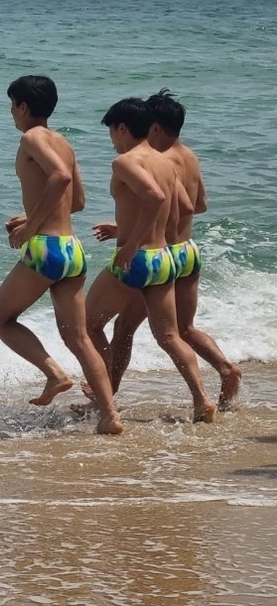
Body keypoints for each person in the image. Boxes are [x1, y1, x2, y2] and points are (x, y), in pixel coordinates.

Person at [0, 76, 124, 435]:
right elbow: (77, 201)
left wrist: (31, 224)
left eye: (13, 105)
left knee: (1, 319)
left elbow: (60, 178)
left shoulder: (32, 137)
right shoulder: (63, 142)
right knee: (79, 338)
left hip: (45, 249)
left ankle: (54, 374)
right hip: (71, 248)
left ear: (23, 106)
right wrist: (34, 213)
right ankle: (110, 415)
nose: (12, 113)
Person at [91, 89, 241, 408]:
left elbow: (159, 200)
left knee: (102, 326)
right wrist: (138, 229)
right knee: (177, 332)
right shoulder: (185, 158)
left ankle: (104, 398)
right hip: (181, 251)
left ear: (153, 126)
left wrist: (131, 239)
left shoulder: (139, 160)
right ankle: (217, 380)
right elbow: (192, 206)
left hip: (149, 255)